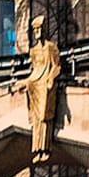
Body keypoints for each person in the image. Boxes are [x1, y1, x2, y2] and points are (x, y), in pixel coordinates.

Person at [24, 15, 62, 163]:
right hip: (35, 84)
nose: (37, 32)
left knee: (45, 117)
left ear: (44, 30)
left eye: (39, 29)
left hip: (46, 85)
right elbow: (35, 69)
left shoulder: (51, 48)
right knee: (37, 119)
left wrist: (51, 78)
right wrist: (28, 82)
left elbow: (56, 67)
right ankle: (37, 149)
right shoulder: (33, 51)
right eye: (35, 30)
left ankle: (46, 147)